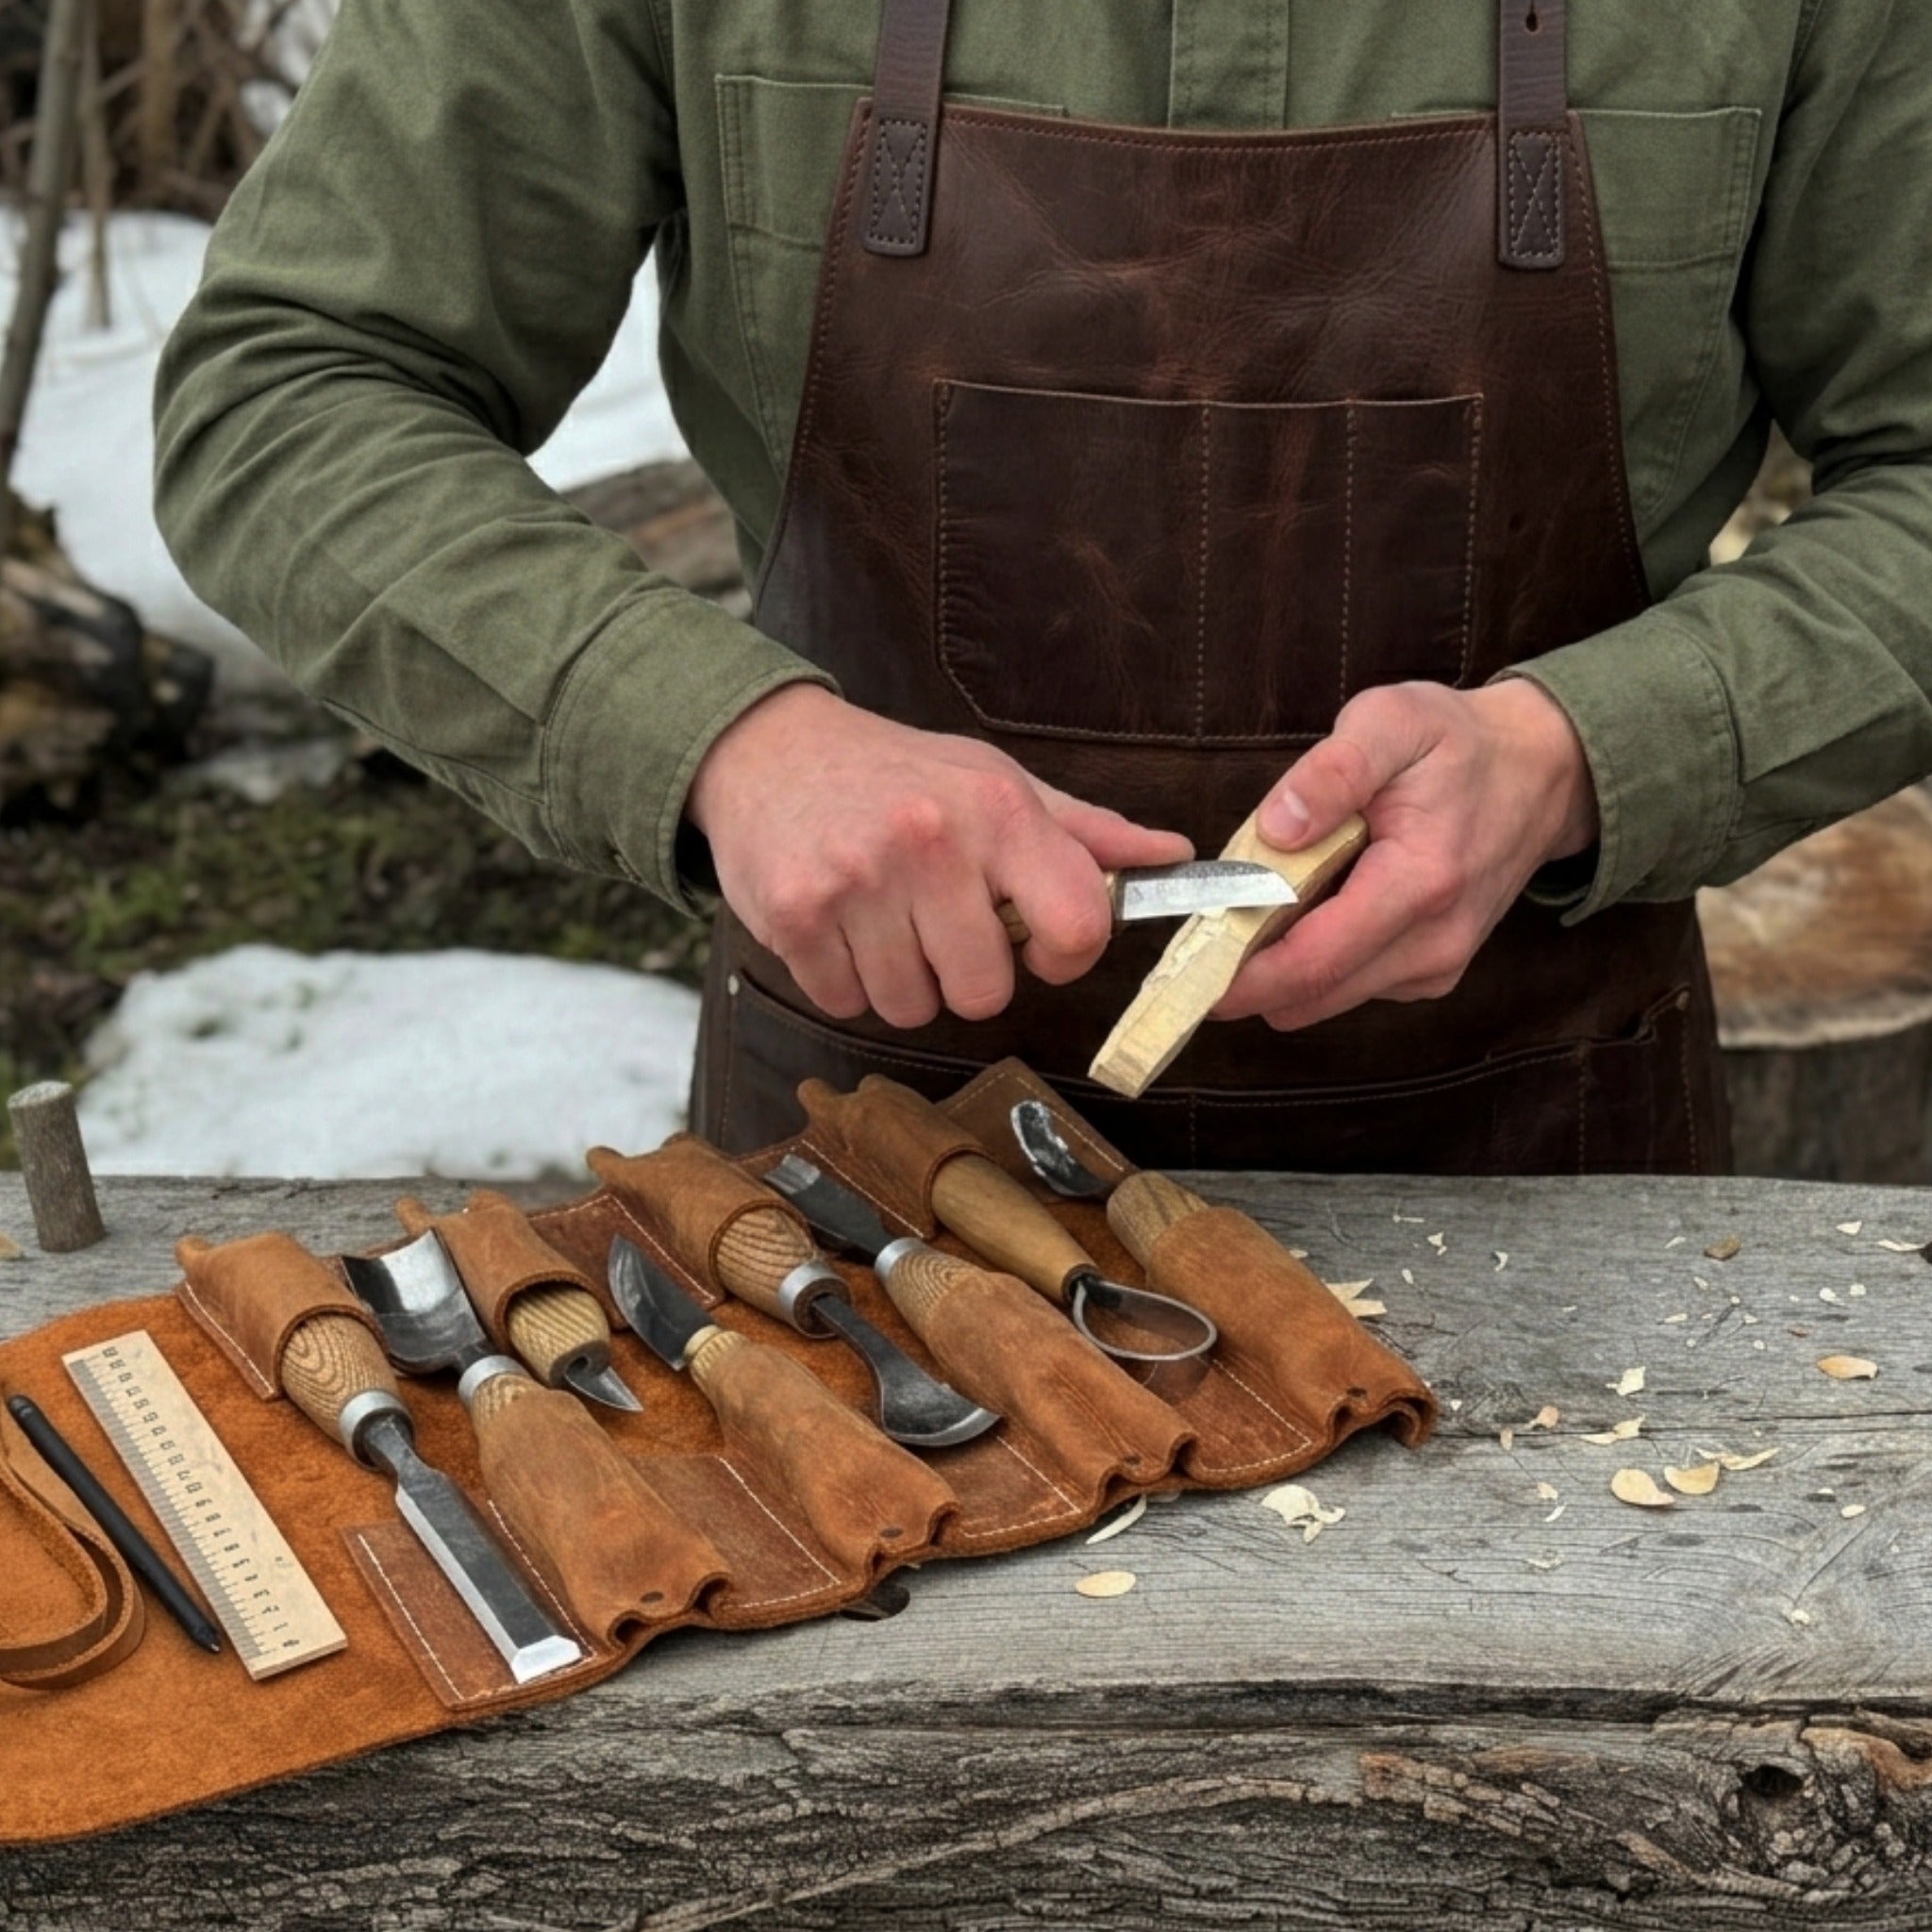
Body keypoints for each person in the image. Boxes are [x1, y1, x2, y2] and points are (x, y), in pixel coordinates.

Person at [154, 2, 1932, 1174]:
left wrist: (1587, 749)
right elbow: (293, 382)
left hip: (1557, 1158)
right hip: (865, 1191)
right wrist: (725, 741)